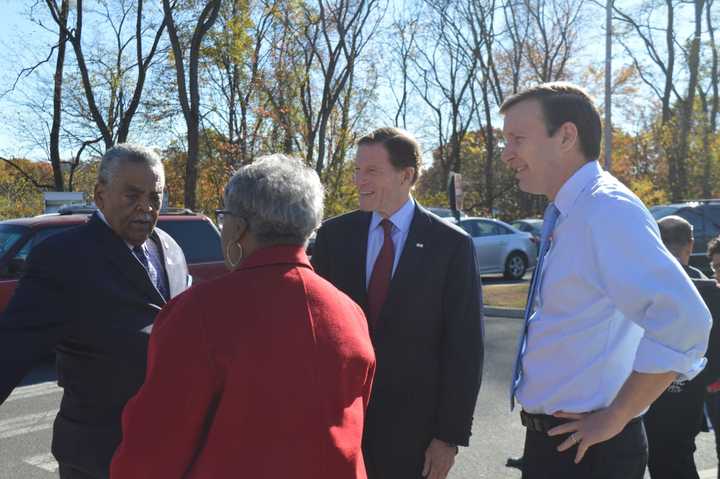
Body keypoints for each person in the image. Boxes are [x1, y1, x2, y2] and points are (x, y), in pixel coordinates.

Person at [110, 155, 376, 479]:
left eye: (223, 219)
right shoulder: (350, 313)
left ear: (237, 227)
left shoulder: (197, 313)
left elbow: (153, 448)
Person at [501, 82, 711, 479]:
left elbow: (685, 322)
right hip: (563, 445)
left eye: (517, 138)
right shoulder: (571, 211)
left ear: (566, 136)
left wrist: (617, 415)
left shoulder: (605, 210)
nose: (507, 153)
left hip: (590, 452)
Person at [0, 144, 190, 479]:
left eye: (155, 196)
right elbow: (10, 349)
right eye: (132, 195)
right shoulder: (62, 257)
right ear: (100, 195)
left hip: (168, 452)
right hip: (98, 457)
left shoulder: (171, 248)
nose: (146, 207)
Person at [311, 127, 483, 479]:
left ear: (407, 175)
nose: (359, 180)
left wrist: (448, 437)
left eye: (371, 171)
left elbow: (464, 349)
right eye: (357, 170)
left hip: (414, 436)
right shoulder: (334, 236)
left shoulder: (451, 245)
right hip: (339, 424)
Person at [642, 216, 713, 478]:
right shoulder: (706, 288)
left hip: (643, 391)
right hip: (689, 395)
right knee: (680, 458)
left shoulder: (639, 284)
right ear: (690, 245)